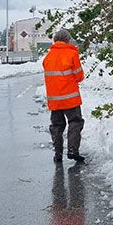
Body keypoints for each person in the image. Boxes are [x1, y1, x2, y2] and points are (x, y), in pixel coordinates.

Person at [42, 29, 85, 165]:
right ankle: (72, 150)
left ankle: (58, 154)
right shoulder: (72, 54)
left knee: (57, 126)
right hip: (70, 98)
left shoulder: (48, 56)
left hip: (54, 100)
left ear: (55, 40)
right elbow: (79, 76)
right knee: (75, 122)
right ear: (68, 40)